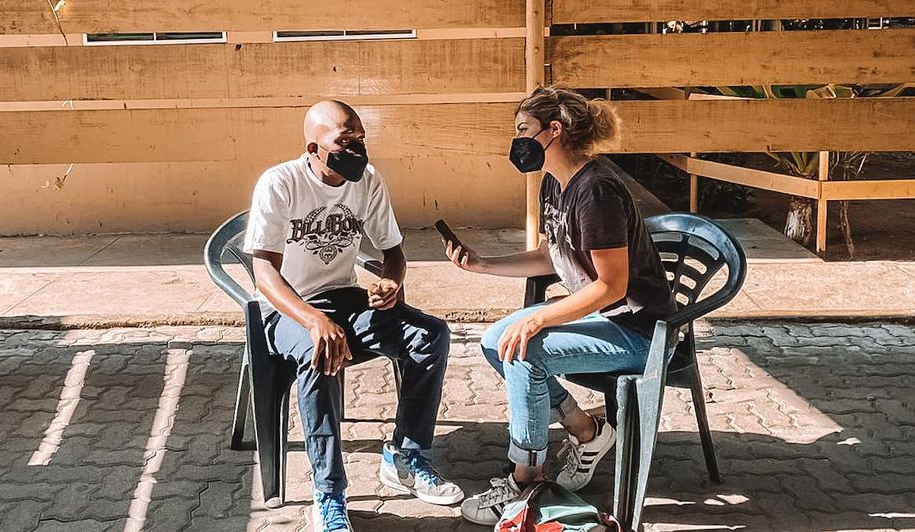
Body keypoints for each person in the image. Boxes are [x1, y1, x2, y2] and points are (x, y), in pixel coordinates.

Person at [451, 87, 675, 526]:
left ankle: (526, 481)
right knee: (495, 341)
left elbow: (612, 286)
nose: (517, 140)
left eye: (523, 130)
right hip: (602, 317)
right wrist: (482, 264)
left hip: (640, 331)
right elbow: (548, 257)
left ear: (553, 130)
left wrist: (539, 318)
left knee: (524, 351)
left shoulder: (596, 192)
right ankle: (587, 431)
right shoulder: (555, 184)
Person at [244, 100, 464, 532]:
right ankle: (328, 494)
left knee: (430, 335)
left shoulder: (368, 180)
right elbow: (264, 272)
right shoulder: (280, 182)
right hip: (287, 308)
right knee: (319, 354)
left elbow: (393, 252)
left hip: (344, 298)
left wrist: (391, 282)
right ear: (314, 147)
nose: (357, 148)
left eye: (361, 138)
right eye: (345, 140)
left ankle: (407, 455)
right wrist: (313, 320)